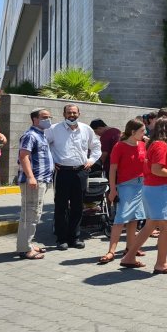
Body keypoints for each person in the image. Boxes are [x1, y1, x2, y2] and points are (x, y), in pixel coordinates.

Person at [120, 118, 167, 274]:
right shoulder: (161, 145)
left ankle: (129, 257)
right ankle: (161, 264)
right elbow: (157, 169)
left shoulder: (156, 144)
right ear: (166, 128)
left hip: (155, 188)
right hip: (158, 190)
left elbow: (153, 169)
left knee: (150, 225)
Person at [46, 104, 101, 250]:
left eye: (74, 112)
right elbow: (43, 146)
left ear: (79, 113)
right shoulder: (54, 129)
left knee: (78, 206)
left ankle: (75, 238)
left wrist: (91, 161)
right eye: (69, 112)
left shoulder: (86, 129)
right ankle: (61, 239)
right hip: (62, 172)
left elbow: (96, 146)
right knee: (61, 206)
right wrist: (51, 161)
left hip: (80, 172)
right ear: (64, 114)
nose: (72, 115)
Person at [98, 119, 147, 264]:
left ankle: (130, 248)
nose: (144, 134)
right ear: (133, 132)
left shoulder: (143, 145)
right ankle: (111, 251)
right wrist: (112, 189)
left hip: (141, 185)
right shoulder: (119, 146)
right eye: (142, 131)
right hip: (125, 185)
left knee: (134, 218)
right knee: (121, 218)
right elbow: (113, 169)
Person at [15, 108, 54, 260]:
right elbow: (24, 156)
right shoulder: (30, 135)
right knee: (29, 215)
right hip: (33, 181)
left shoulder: (41, 135)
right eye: (44, 117)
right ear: (34, 119)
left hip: (41, 181)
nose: (48, 119)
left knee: (34, 214)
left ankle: (27, 244)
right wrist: (30, 176)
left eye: (49, 117)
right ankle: (24, 249)